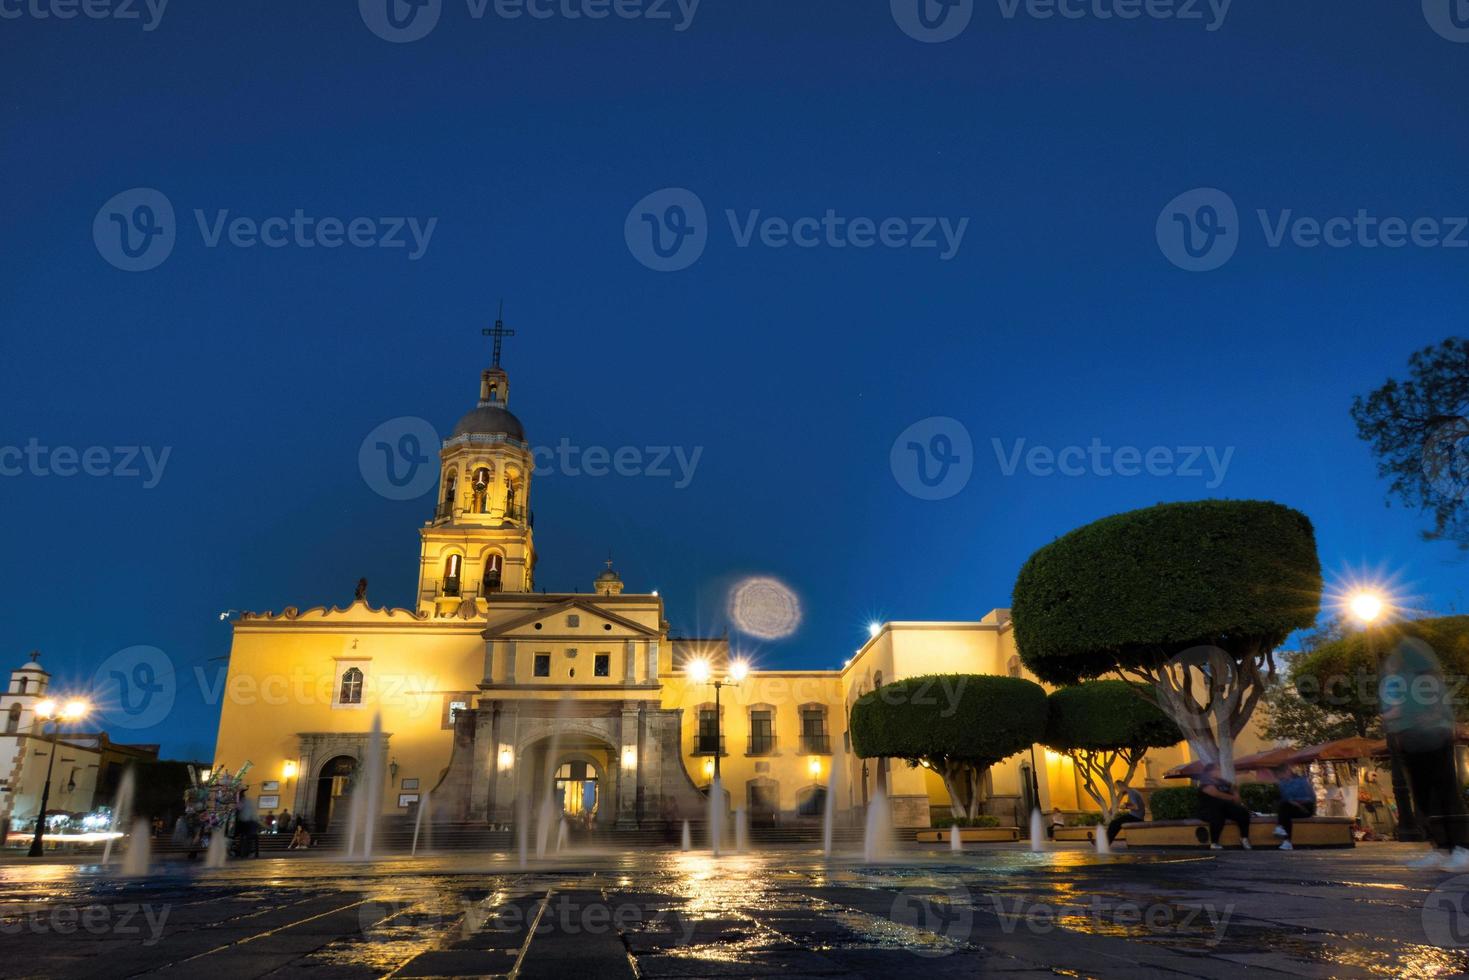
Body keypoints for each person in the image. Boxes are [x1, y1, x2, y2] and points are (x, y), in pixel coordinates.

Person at [1381, 638, 1469, 870]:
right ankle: (1440, 849)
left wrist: (1421, 718)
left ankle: (1462, 848)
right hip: (1412, 742)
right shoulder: (1398, 681)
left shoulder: (1425, 680)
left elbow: (1439, 708)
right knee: (1423, 797)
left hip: (1433, 739)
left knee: (1445, 793)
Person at [1195, 765, 1252, 850]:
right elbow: (1216, 793)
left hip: (1225, 807)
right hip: (1209, 809)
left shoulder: (1222, 781)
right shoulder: (1205, 782)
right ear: (1209, 772)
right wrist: (1232, 797)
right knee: (1217, 816)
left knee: (1243, 812)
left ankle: (1244, 838)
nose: (1219, 771)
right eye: (1216, 770)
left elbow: (1234, 787)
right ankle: (1214, 843)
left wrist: (1236, 794)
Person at [1273, 766, 1316, 850]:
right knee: (1285, 810)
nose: (1281, 777)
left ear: (1288, 772)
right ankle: (1286, 840)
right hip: (1290, 808)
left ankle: (1282, 830)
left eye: (1282, 774)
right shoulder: (1282, 783)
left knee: (1285, 807)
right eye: (1279, 775)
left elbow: (1308, 799)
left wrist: (1295, 802)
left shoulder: (1301, 781)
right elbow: (1284, 798)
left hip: (1305, 808)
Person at [1106, 779, 1147, 845]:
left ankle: (1106, 843)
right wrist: (1125, 805)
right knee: (1117, 823)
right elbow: (1134, 805)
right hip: (1137, 816)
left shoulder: (1131, 792)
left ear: (1120, 787)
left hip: (1136, 817)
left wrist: (1125, 807)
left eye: (1117, 789)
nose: (1118, 791)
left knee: (1114, 823)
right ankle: (1107, 842)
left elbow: (1136, 807)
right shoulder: (1133, 791)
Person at [236, 790, 261, 858]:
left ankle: (242, 851)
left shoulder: (242, 801)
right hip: (254, 823)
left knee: (242, 835)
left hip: (247, 823)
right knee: (250, 837)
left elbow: (239, 809)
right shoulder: (250, 800)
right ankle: (248, 850)